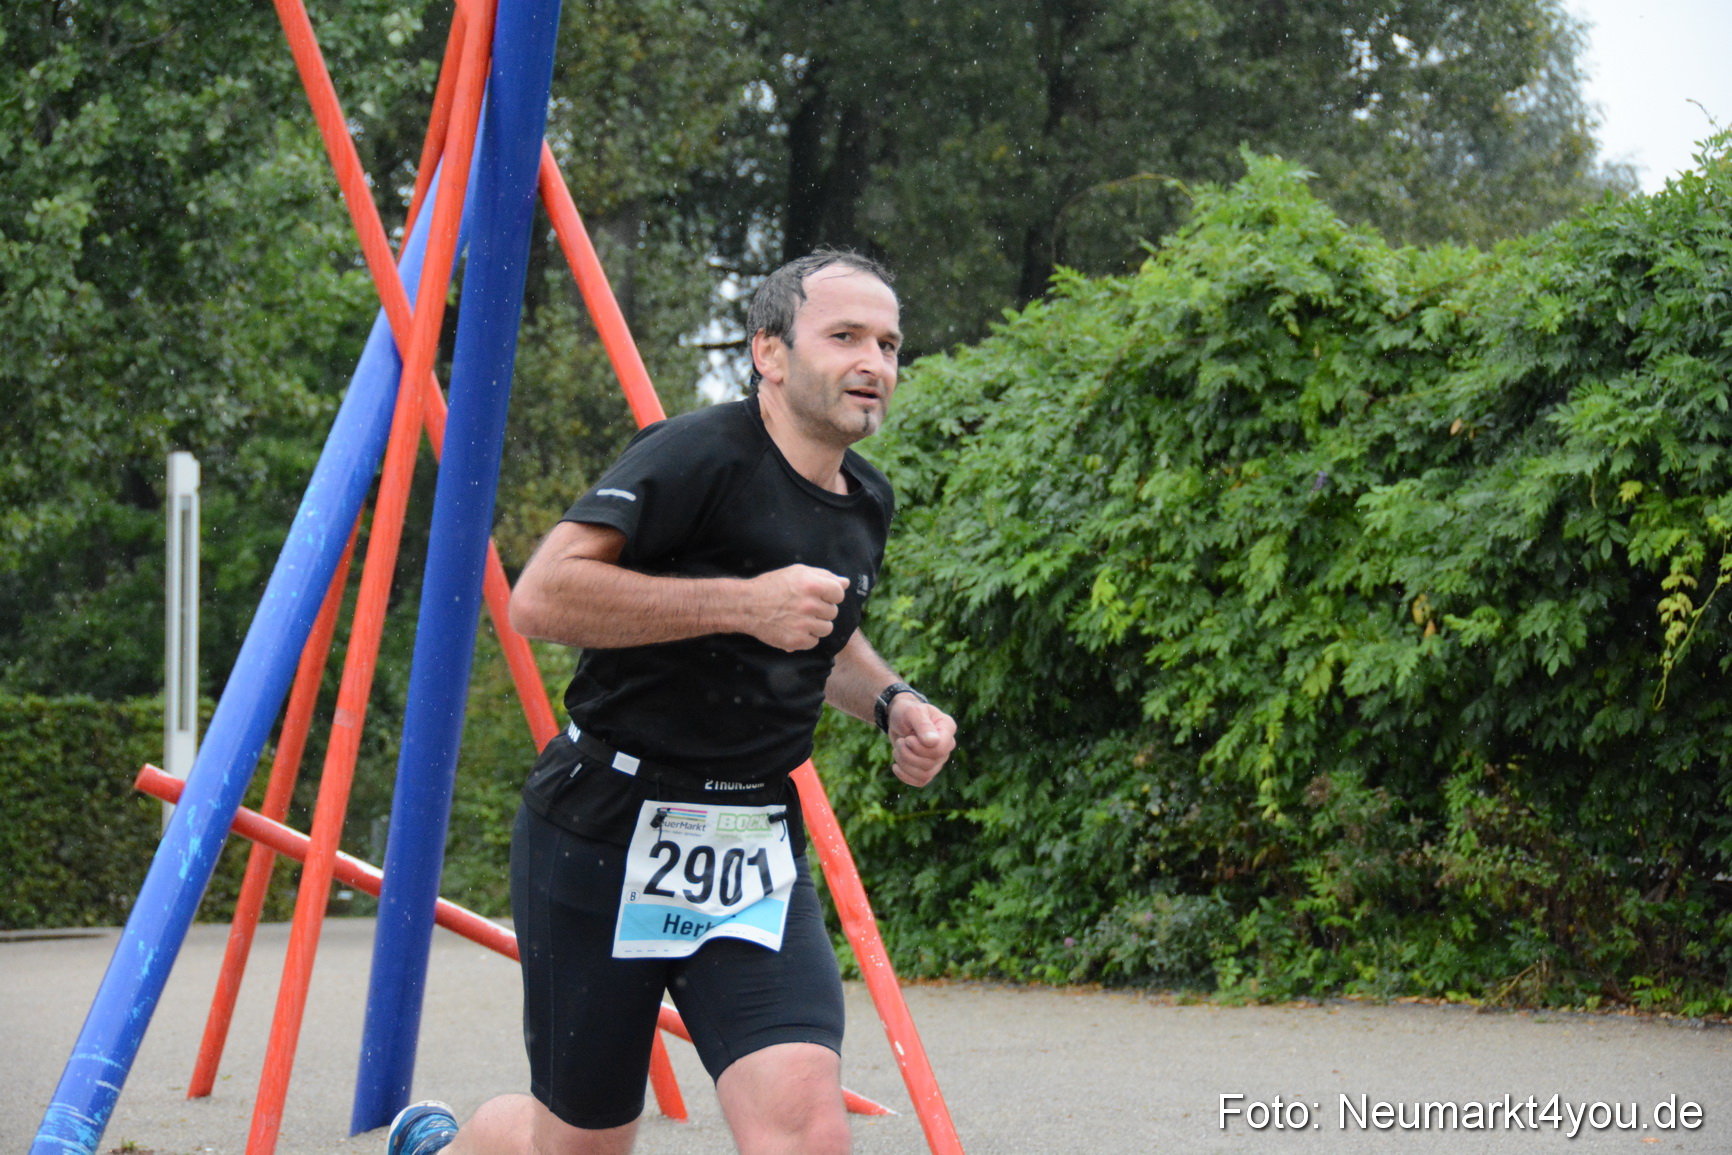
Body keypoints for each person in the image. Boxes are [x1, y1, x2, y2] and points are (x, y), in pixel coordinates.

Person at [387, 249, 957, 1155]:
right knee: (579, 1144)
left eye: (889, 344)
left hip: (749, 842)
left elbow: (825, 631)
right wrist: (742, 603)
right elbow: (543, 596)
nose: (874, 363)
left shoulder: (865, 501)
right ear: (769, 353)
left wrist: (894, 702)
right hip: (604, 825)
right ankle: (445, 1145)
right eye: (844, 336)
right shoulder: (697, 454)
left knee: (809, 1125)